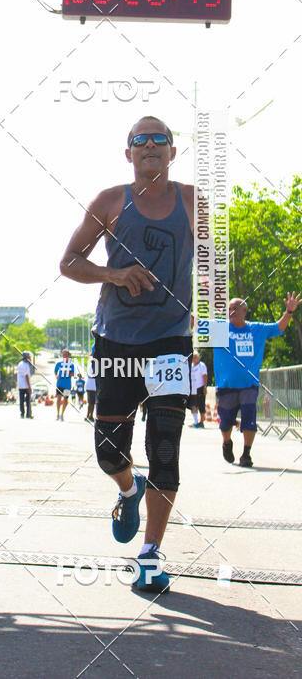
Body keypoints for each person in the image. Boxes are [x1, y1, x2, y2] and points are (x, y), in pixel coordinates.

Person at [60, 116, 194, 593]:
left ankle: (152, 554)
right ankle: (128, 489)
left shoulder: (194, 202)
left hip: (170, 342)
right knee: (108, 452)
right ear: (129, 153)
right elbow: (69, 262)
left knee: (165, 447)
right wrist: (114, 275)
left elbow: (217, 268)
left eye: (160, 139)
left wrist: (210, 334)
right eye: (141, 140)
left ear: (173, 151)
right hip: (116, 340)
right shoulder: (110, 201)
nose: (151, 146)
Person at [213, 294, 300, 467]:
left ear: (245, 311)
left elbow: (279, 327)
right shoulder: (219, 329)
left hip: (249, 385)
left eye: (235, 308)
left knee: (249, 419)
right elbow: (196, 323)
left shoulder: (257, 329)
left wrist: (289, 311)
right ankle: (227, 442)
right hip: (226, 386)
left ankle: (246, 454)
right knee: (225, 423)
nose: (231, 311)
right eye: (229, 308)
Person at [54, 349, 74, 421]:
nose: (64, 355)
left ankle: (62, 414)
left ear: (68, 355)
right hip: (59, 383)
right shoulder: (59, 364)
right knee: (59, 398)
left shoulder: (71, 365)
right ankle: (58, 414)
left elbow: (73, 374)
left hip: (67, 385)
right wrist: (56, 376)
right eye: (63, 354)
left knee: (65, 400)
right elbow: (55, 371)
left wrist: (67, 371)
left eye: (66, 354)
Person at [189, 351, 208, 428]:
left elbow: (205, 376)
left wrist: (205, 387)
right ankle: (196, 421)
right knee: (193, 405)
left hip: (200, 387)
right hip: (193, 388)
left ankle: (202, 421)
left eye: (195, 357)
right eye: (193, 357)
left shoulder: (201, 365)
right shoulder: (191, 366)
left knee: (201, 404)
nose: (194, 359)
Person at [17, 351, 33, 419]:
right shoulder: (26, 365)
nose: (30, 358)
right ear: (26, 357)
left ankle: (22, 413)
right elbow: (26, 376)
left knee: (21, 400)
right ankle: (28, 414)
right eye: (29, 357)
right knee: (28, 400)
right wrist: (29, 386)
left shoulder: (20, 364)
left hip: (20, 385)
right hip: (25, 385)